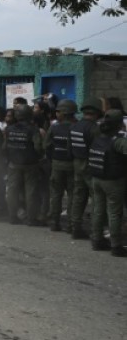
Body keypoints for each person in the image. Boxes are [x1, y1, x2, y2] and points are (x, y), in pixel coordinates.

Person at [87, 110, 127, 257]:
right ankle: (116, 246)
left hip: (97, 179)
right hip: (113, 182)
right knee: (115, 213)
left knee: (98, 210)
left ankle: (97, 240)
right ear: (118, 124)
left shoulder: (98, 138)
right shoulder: (118, 141)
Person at [4, 104, 45, 225]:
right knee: (31, 191)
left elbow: (4, 147)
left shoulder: (9, 129)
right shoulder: (33, 130)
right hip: (30, 164)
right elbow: (38, 147)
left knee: (12, 190)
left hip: (13, 164)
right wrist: (39, 157)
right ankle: (31, 219)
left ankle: (12, 216)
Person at [69, 97, 103, 239]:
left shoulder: (74, 126)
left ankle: (75, 228)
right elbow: (99, 149)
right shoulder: (95, 128)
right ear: (96, 112)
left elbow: (69, 148)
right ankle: (96, 232)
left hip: (77, 164)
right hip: (90, 165)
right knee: (96, 199)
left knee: (79, 197)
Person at [45, 99, 77, 232]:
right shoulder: (77, 126)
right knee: (72, 195)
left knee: (56, 195)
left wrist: (50, 159)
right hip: (73, 165)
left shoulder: (54, 127)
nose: (56, 113)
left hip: (57, 164)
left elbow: (47, 145)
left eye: (58, 111)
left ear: (64, 113)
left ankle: (54, 222)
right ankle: (71, 224)